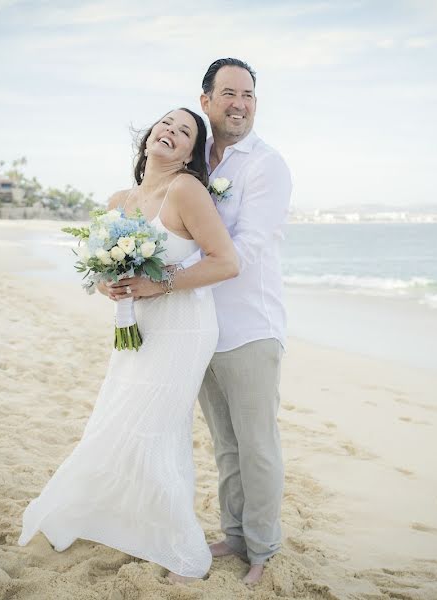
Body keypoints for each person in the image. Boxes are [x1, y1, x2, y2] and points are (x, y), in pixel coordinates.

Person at [18, 107, 239, 582]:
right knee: (117, 417)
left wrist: (162, 282)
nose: (172, 132)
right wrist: (110, 286)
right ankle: (116, 521)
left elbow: (226, 263)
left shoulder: (187, 190)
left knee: (157, 428)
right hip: (135, 326)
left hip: (182, 327)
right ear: (148, 137)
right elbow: (103, 274)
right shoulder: (119, 199)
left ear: (189, 153)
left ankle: (178, 546)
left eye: (185, 132)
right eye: (167, 124)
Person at [196, 58, 293, 585]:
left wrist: (176, 274)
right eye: (229, 93)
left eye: (249, 95)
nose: (240, 103)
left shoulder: (266, 164)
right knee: (225, 445)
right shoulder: (197, 162)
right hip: (200, 327)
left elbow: (250, 246)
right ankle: (233, 535)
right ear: (206, 99)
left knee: (258, 445)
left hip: (251, 328)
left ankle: (262, 547)